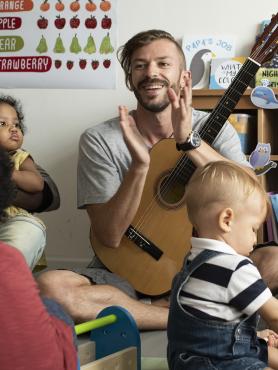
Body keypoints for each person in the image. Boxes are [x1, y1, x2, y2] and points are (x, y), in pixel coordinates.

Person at [37, 29, 278, 330]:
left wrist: (191, 142)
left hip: (206, 268)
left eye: (163, 64)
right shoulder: (100, 140)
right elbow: (110, 236)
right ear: (130, 78)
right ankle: (191, 316)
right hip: (127, 272)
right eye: (140, 65)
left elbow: (252, 192)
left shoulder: (213, 129)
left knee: (274, 261)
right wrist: (140, 165)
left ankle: (143, 312)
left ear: (184, 76)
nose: (151, 73)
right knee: (51, 288)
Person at [167, 161, 278, 370]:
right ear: (227, 220)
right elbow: (274, 315)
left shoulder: (192, 261)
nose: (255, 239)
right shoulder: (236, 267)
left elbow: (216, 319)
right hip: (219, 363)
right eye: (253, 229)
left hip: (183, 362)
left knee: (263, 350)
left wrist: (253, 335)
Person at [0, 148, 77, 370]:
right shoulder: (9, 259)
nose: (11, 128)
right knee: (51, 308)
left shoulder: (22, 157)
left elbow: (49, 195)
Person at [0, 94, 59, 269]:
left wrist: (8, 172)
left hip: (12, 223)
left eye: (16, 124)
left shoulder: (19, 158)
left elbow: (38, 185)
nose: (13, 129)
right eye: (2, 124)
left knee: (24, 232)